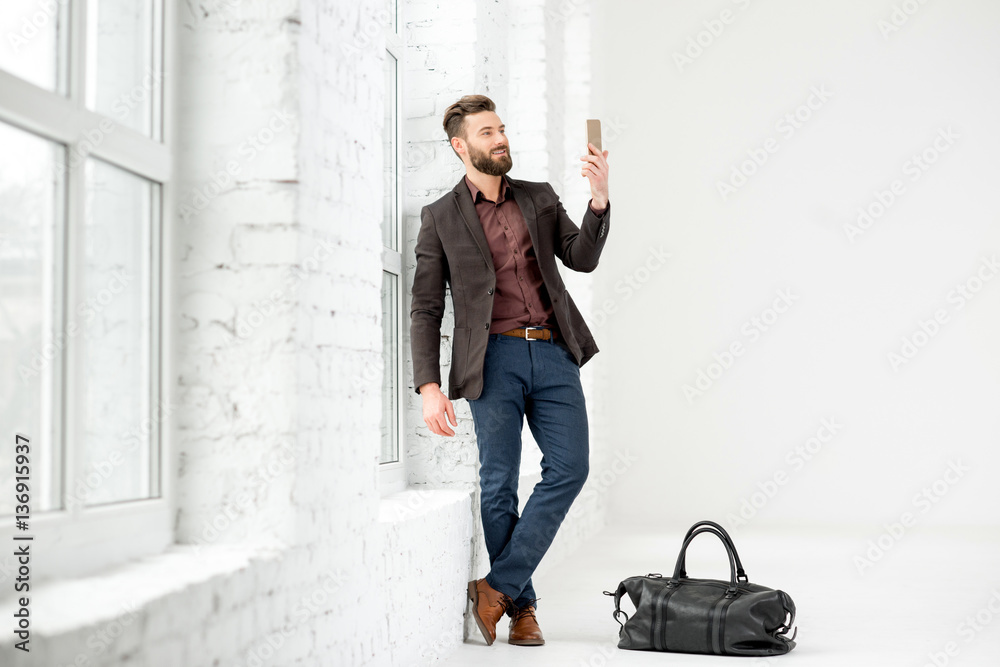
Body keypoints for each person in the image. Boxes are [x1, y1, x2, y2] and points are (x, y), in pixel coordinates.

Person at [409, 94, 611, 647]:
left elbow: (581, 257)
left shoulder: (539, 198)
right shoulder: (440, 218)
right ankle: (522, 609)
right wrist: (429, 386)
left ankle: (494, 587)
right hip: (491, 359)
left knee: (570, 468)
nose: (500, 138)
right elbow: (426, 307)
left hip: (552, 352)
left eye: (501, 129)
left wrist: (598, 201)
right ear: (461, 146)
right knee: (498, 486)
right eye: (488, 132)